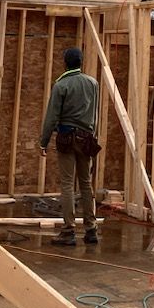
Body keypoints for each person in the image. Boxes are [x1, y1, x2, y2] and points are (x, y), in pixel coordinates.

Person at [39, 47, 100, 246]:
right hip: (86, 137)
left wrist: (43, 142)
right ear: (81, 62)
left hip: (66, 137)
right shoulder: (92, 83)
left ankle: (68, 231)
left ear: (65, 63)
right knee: (85, 183)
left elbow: (51, 117)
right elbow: (95, 114)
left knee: (67, 183)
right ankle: (91, 229)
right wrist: (92, 136)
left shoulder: (61, 85)